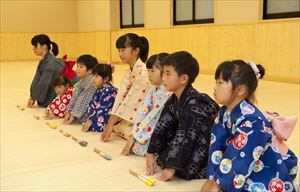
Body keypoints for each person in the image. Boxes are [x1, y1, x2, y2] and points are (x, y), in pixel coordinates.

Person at [201, 60, 298, 192]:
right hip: (247, 163)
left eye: (220, 83)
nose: (215, 87)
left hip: (269, 167)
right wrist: (211, 178)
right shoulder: (224, 112)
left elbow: (242, 157)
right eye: (216, 82)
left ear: (241, 90)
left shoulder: (253, 120)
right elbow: (216, 145)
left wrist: (218, 184)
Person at [146, 51, 219, 181]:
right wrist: (150, 152)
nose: (163, 79)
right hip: (191, 140)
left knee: (183, 168)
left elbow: (186, 135)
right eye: (163, 73)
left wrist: (172, 167)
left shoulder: (194, 103)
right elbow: (162, 125)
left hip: (206, 145)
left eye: (168, 74)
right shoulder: (174, 98)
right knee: (163, 157)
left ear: (183, 79)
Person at [101, 33, 151, 142]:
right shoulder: (129, 71)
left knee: (126, 131)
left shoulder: (144, 72)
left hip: (148, 113)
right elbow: (120, 96)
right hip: (136, 113)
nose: (120, 54)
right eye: (119, 50)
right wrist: (110, 124)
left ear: (136, 50)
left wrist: (110, 125)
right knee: (117, 127)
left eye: (123, 50)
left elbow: (130, 101)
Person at [121, 53, 171, 156]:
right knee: (134, 142)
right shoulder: (152, 89)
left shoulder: (168, 93)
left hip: (159, 128)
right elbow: (143, 113)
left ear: (164, 72)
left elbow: (153, 117)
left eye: (152, 71)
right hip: (148, 127)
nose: (149, 74)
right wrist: (134, 135)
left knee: (138, 148)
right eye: (148, 71)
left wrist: (135, 137)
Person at [28, 34, 65, 107]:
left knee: (47, 102)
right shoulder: (43, 62)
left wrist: (33, 98)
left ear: (44, 46)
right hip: (56, 87)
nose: (33, 48)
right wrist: (32, 96)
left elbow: (44, 83)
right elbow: (37, 80)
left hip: (64, 89)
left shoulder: (51, 62)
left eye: (35, 46)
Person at [82, 63, 118, 132]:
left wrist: (91, 119)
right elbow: (93, 104)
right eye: (93, 76)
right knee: (85, 120)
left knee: (95, 126)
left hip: (106, 116)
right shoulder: (99, 88)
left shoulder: (110, 91)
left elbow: (102, 109)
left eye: (96, 76)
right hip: (99, 115)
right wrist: (89, 118)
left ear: (105, 79)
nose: (93, 79)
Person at [63, 54, 98, 124]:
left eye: (81, 67)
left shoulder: (92, 82)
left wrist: (73, 116)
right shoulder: (81, 81)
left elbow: (84, 100)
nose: (77, 69)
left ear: (90, 71)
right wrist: (69, 111)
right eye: (77, 66)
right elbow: (75, 97)